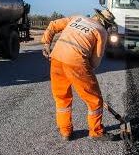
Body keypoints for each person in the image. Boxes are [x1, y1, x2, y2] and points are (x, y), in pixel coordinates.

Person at [41, 8, 117, 141]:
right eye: (109, 25)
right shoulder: (101, 31)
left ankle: (65, 132)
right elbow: (95, 61)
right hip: (76, 62)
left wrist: (47, 44)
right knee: (95, 100)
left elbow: (53, 25)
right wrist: (85, 75)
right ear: (105, 23)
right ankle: (96, 132)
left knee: (62, 97)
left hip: (57, 57)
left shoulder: (77, 18)